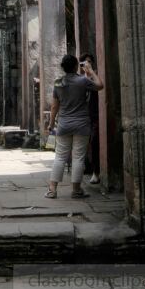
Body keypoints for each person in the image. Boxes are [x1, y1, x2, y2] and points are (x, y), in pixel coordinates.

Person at [45, 54, 103, 199]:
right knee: (78, 158)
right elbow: (100, 85)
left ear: (63, 68)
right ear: (77, 66)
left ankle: (52, 189)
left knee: (60, 157)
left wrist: (51, 125)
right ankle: (76, 190)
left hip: (64, 124)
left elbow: (54, 107)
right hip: (82, 125)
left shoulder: (58, 83)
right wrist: (91, 71)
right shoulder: (83, 81)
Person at [80, 52, 101, 185]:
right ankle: (86, 168)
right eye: (84, 62)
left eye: (90, 61)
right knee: (82, 145)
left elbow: (100, 86)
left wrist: (91, 72)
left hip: (94, 115)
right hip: (82, 117)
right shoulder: (80, 79)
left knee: (94, 143)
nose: (87, 64)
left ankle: (96, 172)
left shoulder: (95, 77)